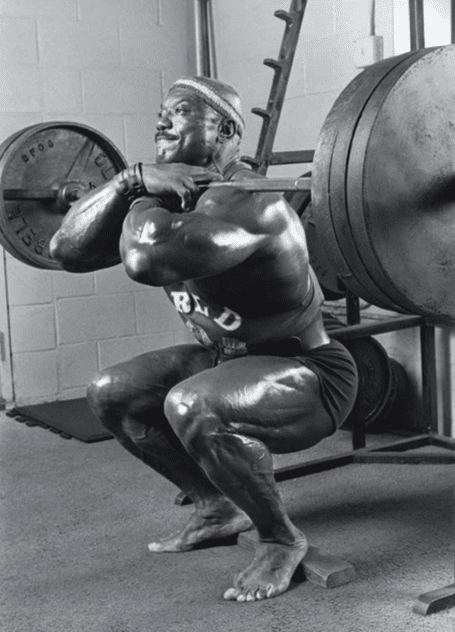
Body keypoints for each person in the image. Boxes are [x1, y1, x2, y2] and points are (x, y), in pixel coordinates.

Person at [50, 76, 358, 603]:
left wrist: (140, 192)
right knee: (111, 390)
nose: (162, 121)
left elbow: (148, 258)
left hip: (310, 375)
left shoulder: (248, 202)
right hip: (224, 359)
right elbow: (65, 248)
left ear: (226, 129)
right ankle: (216, 506)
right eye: (162, 112)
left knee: (191, 403)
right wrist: (128, 184)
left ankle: (280, 538)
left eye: (181, 111)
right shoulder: (168, 197)